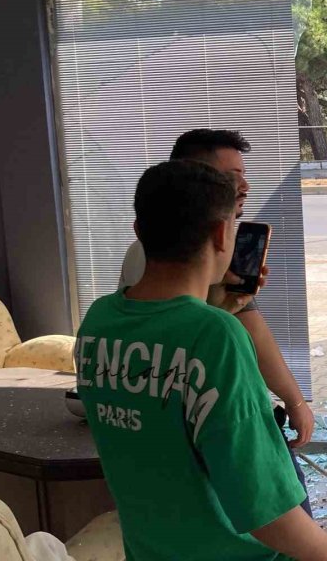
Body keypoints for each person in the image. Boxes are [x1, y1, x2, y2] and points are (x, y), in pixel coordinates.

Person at [77, 160, 327, 561]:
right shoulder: (215, 336)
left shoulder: (98, 321)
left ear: (139, 233)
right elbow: (264, 509)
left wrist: (216, 308)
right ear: (222, 234)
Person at [118, 130, 314, 515]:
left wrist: (230, 304)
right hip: (219, 431)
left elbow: (193, 334)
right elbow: (185, 343)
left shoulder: (110, 311)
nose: (243, 186)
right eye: (228, 177)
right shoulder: (171, 259)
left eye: (243, 174)